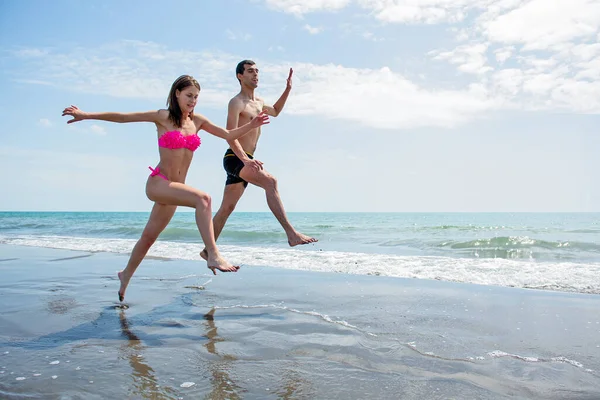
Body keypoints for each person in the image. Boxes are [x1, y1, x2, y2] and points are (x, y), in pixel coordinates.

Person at [61, 74, 270, 302]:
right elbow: (122, 117)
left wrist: (251, 124)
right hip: (159, 183)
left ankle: (125, 275)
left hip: (174, 189)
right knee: (204, 199)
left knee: (149, 237)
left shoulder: (197, 121)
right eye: (189, 95)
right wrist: (86, 115)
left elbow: (228, 134)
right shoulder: (162, 117)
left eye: (196, 97)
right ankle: (213, 254)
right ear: (177, 93)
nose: (192, 101)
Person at [200, 60, 317, 261]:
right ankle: (291, 234)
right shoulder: (236, 102)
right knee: (270, 182)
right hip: (236, 158)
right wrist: (245, 160)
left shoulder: (259, 103)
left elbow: (276, 111)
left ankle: (207, 250)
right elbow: (230, 135)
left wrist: (287, 89)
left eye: (257, 71)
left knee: (226, 208)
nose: (255, 75)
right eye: (250, 71)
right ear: (240, 76)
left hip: (247, 160)